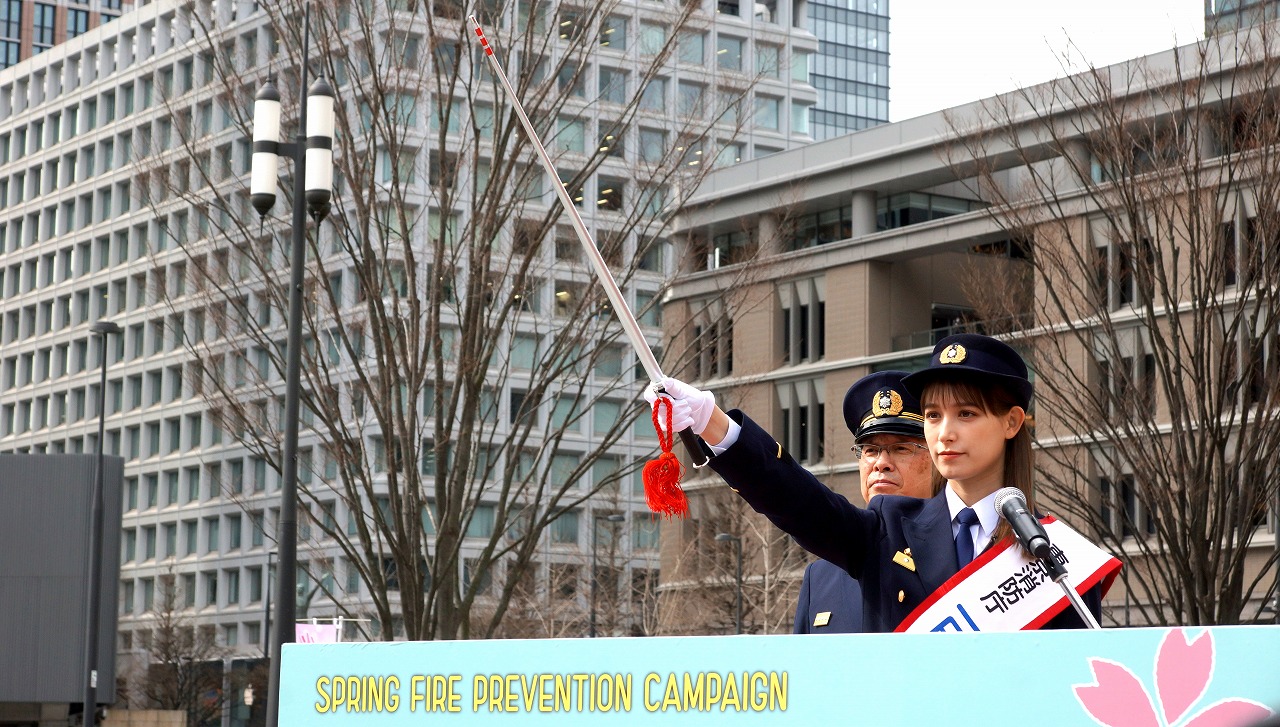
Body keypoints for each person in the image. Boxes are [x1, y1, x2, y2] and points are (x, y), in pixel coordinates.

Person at [648, 333, 1104, 632]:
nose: (945, 432)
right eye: (932, 415)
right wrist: (713, 423)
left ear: (1011, 422)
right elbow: (797, 500)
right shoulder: (888, 530)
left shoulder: (1053, 555)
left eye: (966, 414)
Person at [793, 370, 938, 634]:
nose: (881, 463)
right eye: (870, 451)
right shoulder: (820, 576)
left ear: (936, 459)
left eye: (901, 448)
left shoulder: (960, 546)